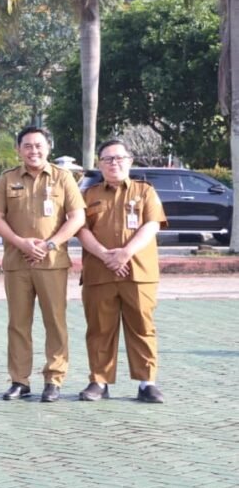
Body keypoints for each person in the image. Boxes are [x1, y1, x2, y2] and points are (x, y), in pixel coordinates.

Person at [0, 126, 86, 402]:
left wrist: (50, 244)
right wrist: (21, 243)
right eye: (27, 146)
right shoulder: (7, 180)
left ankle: (54, 380)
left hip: (51, 262)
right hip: (17, 262)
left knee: (55, 322)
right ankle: (20, 380)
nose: (33, 151)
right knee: (18, 323)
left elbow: (77, 217)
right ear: (18, 150)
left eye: (38, 145)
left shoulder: (63, 178)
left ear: (48, 147)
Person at [76, 139, 166, 404]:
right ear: (100, 164)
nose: (114, 163)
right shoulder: (89, 195)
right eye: (107, 159)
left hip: (137, 272)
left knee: (142, 326)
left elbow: (152, 225)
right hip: (99, 271)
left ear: (130, 161)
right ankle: (99, 382)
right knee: (99, 329)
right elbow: (81, 230)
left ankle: (146, 383)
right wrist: (105, 255)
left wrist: (125, 253)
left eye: (119, 158)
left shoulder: (145, 191)